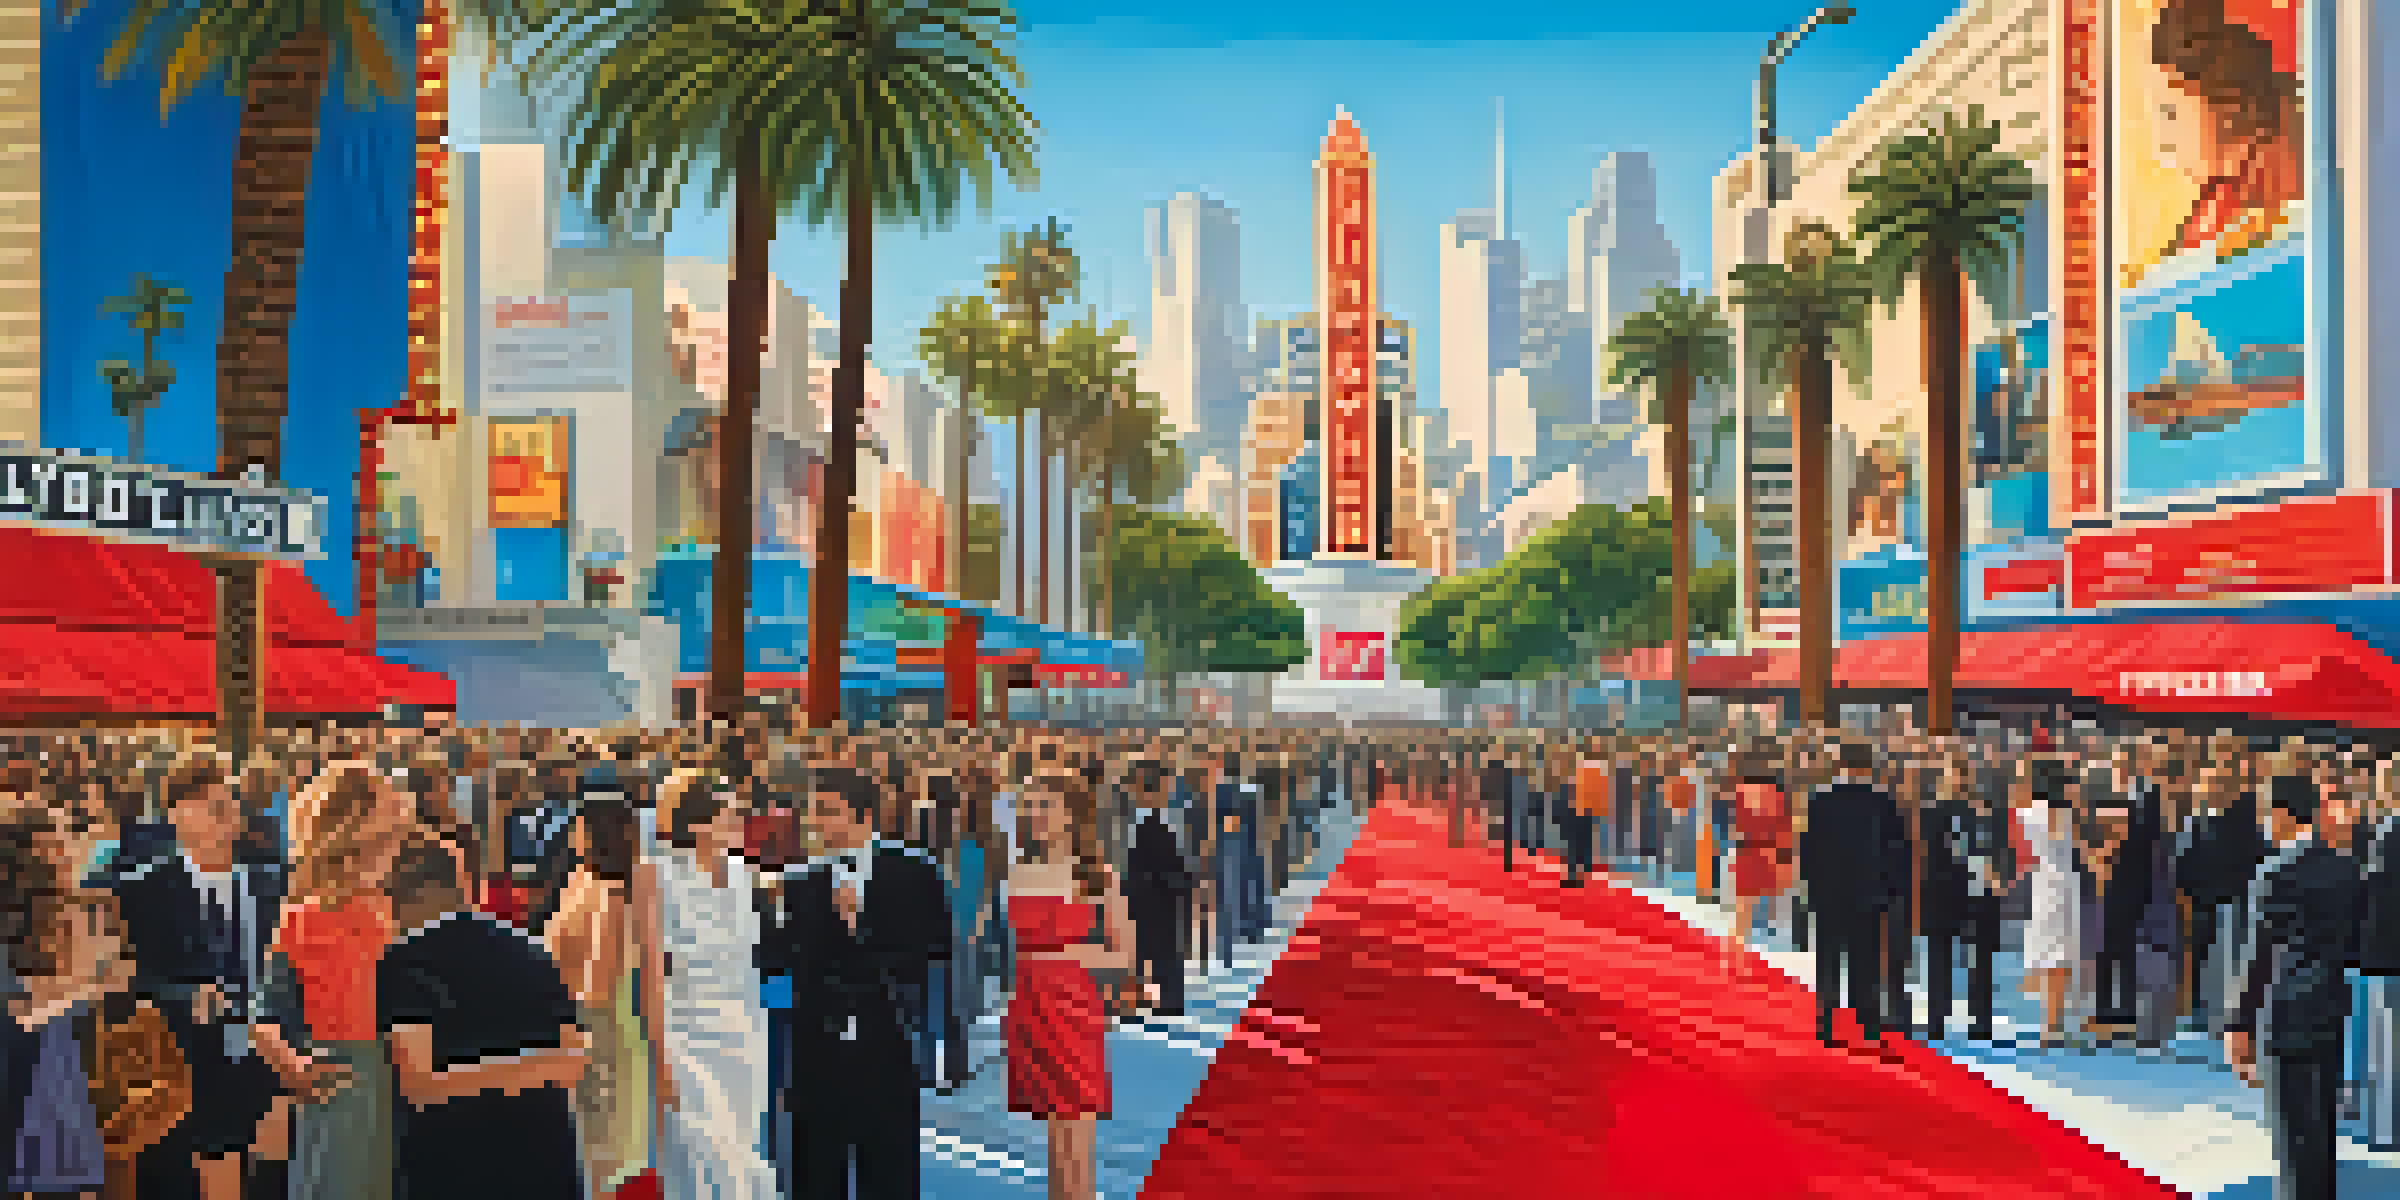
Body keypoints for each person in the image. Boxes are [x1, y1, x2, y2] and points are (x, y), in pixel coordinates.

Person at [763, 763, 950, 1200]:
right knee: (815, 1173)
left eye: (827, 811)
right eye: (814, 811)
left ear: (862, 815)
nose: (816, 822)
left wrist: (860, 923)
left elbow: (934, 952)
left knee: (889, 1171)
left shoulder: (915, 872)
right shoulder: (798, 882)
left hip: (888, 1044)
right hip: (816, 1052)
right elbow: (778, 962)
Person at [108, 754, 289, 1200]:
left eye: (230, 801)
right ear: (176, 814)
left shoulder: (272, 882)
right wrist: (182, 997)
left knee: (264, 1182)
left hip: (262, 1059)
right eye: (211, 803)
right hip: (177, 1065)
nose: (226, 812)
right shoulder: (140, 888)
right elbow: (124, 980)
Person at [378, 840, 588, 1200]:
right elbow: (571, 1063)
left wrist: (476, 1074)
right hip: (544, 1165)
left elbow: (421, 1084)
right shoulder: (535, 952)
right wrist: (533, 1066)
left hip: (454, 1168)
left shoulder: (405, 961)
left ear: (401, 896)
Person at [251, 765, 416, 1200]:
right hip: (343, 1084)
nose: (394, 851)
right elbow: (264, 1018)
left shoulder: (404, 909)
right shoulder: (302, 920)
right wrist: (295, 1067)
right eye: (387, 839)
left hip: (407, 1084)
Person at [2227, 774, 2363, 1200]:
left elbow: (2259, 957)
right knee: (2321, 1131)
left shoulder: (2274, 872)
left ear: (2284, 814)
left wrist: (2239, 1024)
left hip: (2283, 1013)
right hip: (2331, 1009)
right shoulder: (2348, 869)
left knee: (2291, 1139)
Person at [640, 771, 776, 1200]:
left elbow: (757, 961)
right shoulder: (655, 876)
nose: (739, 821)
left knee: (741, 1148)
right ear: (697, 823)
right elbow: (650, 972)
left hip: (746, 1033)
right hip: (687, 1035)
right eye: (729, 813)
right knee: (697, 1155)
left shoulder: (744, 873)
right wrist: (659, 1055)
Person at [1006, 769, 1130, 1200]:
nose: (1035, 815)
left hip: (1074, 1006)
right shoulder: (1019, 870)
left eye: (1045, 806)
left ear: (1071, 814)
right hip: (1029, 1006)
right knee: (1054, 1137)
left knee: (1078, 1133)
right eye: (1031, 806)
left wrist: (1066, 955)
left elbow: (1123, 954)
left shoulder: (1095, 873)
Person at [541, 786, 650, 1198]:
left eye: (579, 824)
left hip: (598, 1035)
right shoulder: (582, 881)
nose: (571, 831)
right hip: (581, 1029)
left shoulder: (612, 893)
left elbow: (600, 984)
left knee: (606, 1161)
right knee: (589, 1157)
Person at [1798, 741, 1907, 1049]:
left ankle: (1826, 1023)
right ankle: (1868, 1026)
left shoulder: (1820, 802)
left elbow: (1809, 851)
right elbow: (1897, 853)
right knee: (1867, 963)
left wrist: (1811, 888)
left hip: (1829, 895)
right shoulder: (1884, 804)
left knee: (1829, 960)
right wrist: (1892, 892)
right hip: (1870, 896)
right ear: (1869, 767)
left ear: (1841, 766)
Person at [2020, 759, 2083, 1046]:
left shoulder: (2028, 813)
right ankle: (2054, 1021)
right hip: (2064, 885)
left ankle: (2050, 1019)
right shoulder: (2068, 815)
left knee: (2048, 955)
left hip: (2042, 884)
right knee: (2061, 956)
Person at [1125, 782, 1195, 1019]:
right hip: (1157, 902)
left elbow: (1164, 868)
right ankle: (1166, 1000)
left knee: (1160, 954)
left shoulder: (1151, 826)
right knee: (1160, 954)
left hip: (1155, 902)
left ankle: (1167, 1001)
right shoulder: (1153, 825)